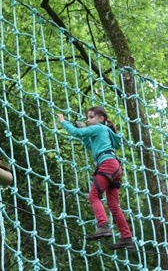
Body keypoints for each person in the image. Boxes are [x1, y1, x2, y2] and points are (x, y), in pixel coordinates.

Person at [57, 106, 134, 249]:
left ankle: (103, 226)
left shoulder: (99, 128)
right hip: (115, 166)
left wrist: (63, 121)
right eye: (87, 118)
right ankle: (126, 237)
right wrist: (85, 135)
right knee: (113, 204)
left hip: (107, 165)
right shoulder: (104, 132)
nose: (88, 120)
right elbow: (89, 146)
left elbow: (76, 133)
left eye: (91, 117)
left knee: (93, 196)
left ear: (101, 119)